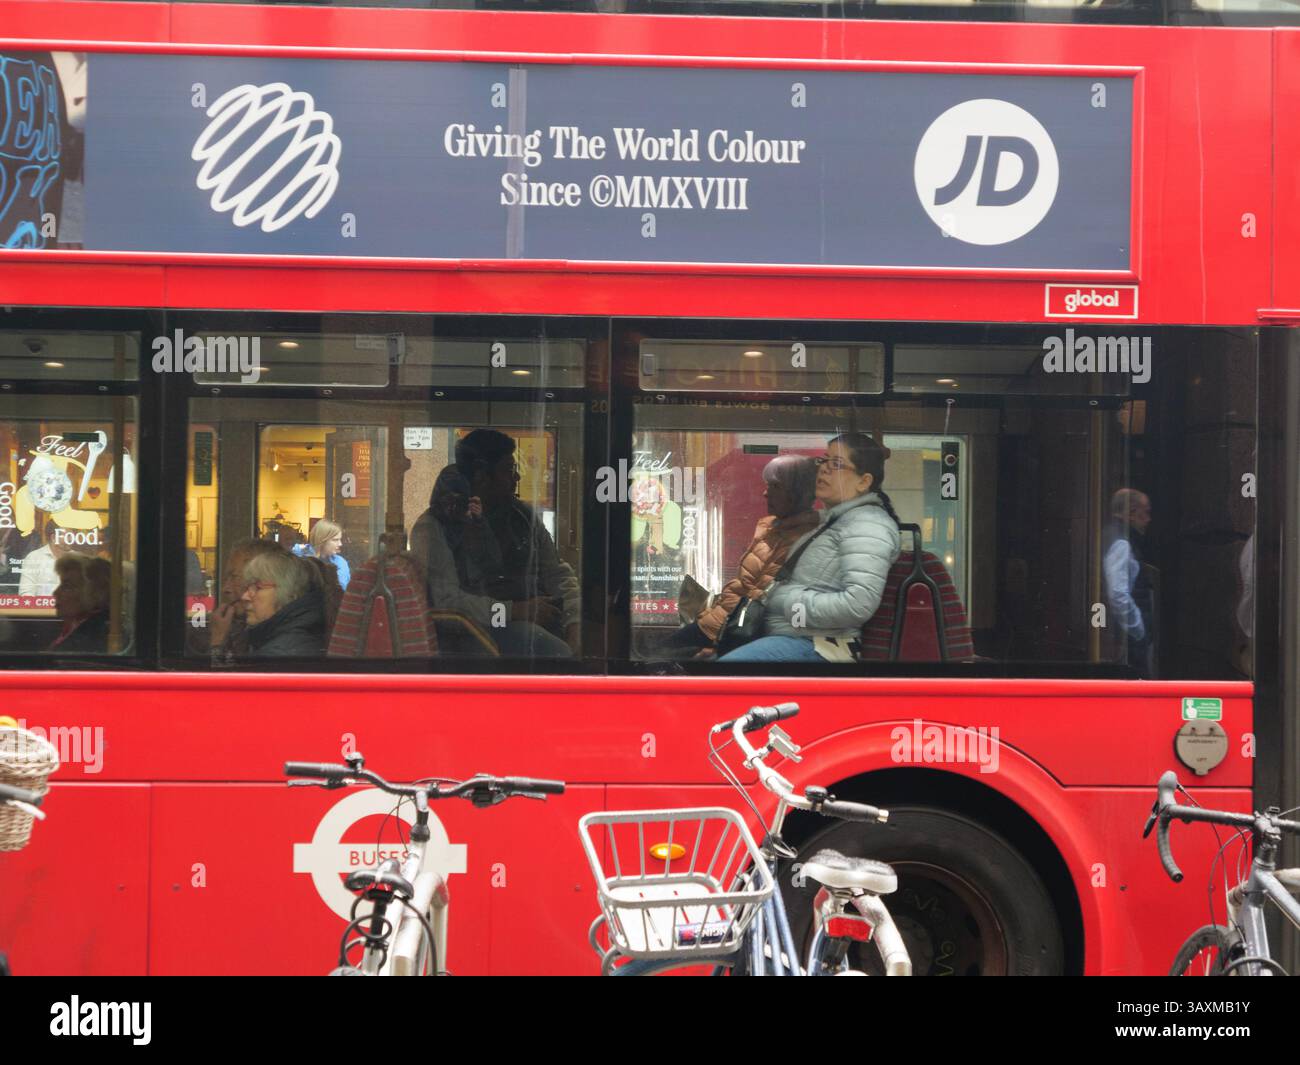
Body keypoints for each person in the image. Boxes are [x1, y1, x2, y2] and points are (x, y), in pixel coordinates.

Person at [718, 433, 901, 663]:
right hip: (796, 639)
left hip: (822, 646)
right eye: (824, 460)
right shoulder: (836, 520)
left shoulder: (868, 524)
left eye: (836, 464)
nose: (824, 469)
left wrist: (787, 602)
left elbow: (858, 604)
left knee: (726, 675)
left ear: (863, 482)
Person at [410, 430, 580, 658]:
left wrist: (575, 621)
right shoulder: (434, 527)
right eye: (508, 470)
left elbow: (558, 574)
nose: (516, 478)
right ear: (481, 475)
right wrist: (515, 611)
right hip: (475, 634)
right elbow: (448, 602)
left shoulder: (522, 516)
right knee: (554, 652)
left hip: (537, 617)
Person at [662, 455, 821, 656]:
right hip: (718, 621)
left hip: (734, 629)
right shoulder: (769, 528)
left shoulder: (802, 539)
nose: (765, 493)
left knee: (663, 656)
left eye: (775, 487)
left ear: (797, 493)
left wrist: (721, 644)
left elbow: (764, 599)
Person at [202, 539, 283, 662]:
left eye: (235, 577)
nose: (225, 589)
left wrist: (218, 642)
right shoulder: (244, 630)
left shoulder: (278, 644)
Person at [1103, 488, 1155, 677]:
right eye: (1145, 512)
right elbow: (1118, 593)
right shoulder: (1122, 543)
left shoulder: (1110, 535)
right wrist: (1138, 629)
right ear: (1132, 513)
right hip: (1127, 639)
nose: (1148, 519)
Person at [239, 549, 327, 658]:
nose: (245, 596)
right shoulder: (299, 636)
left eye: (257, 587)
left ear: (287, 592)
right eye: (247, 587)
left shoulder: (276, 655)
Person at [48, 553, 112, 653]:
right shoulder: (75, 626)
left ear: (95, 593)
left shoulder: (93, 636)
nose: (55, 593)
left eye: (67, 586)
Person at [17, 520, 75, 597]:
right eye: (68, 536)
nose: (72, 539)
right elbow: (26, 592)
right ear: (54, 537)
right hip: (41, 608)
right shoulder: (34, 557)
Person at [292, 518, 351, 591]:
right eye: (335, 540)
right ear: (322, 540)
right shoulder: (299, 557)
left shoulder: (341, 563)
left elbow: (341, 591)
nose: (340, 544)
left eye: (340, 539)